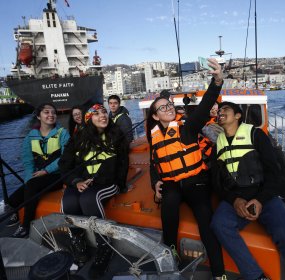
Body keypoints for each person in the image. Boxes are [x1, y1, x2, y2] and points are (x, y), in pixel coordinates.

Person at [210, 102, 285, 280]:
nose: (221, 112)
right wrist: (234, 200)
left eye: (225, 109)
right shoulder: (218, 143)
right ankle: (255, 276)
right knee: (219, 224)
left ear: (238, 116)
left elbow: (274, 172)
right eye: (219, 110)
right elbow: (217, 182)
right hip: (237, 196)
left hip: (264, 193)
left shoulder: (256, 135)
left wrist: (261, 200)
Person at [146, 58, 226, 279]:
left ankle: (220, 274)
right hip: (172, 184)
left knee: (205, 219)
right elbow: (155, 163)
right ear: (155, 116)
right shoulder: (154, 137)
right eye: (163, 108)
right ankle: (171, 255)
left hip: (196, 181)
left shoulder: (187, 127)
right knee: (168, 209)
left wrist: (217, 80)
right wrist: (155, 183)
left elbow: (204, 106)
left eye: (169, 105)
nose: (169, 108)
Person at [59, 104, 129, 278]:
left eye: (104, 112)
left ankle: (104, 246)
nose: (102, 115)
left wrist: (118, 184)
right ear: (89, 119)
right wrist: (76, 181)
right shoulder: (78, 138)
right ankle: (78, 243)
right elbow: (65, 164)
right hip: (82, 181)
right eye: (96, 114)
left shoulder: (116, 135)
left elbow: (122, 163)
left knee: (89, 198)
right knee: (69, 201)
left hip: (107, 182)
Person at [8, 103, 70, 238]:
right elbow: (27, 161)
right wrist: (29, 177)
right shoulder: (30, 137)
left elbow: (65, 158)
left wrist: (46, 171)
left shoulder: (62, 133)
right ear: (38, 116)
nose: (51, 115)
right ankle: (16, 210)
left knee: (32, 186)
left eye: (53, 112)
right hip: (38, 176)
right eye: (46, 112)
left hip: (57, 176)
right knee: (12, 200)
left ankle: (25, 226)